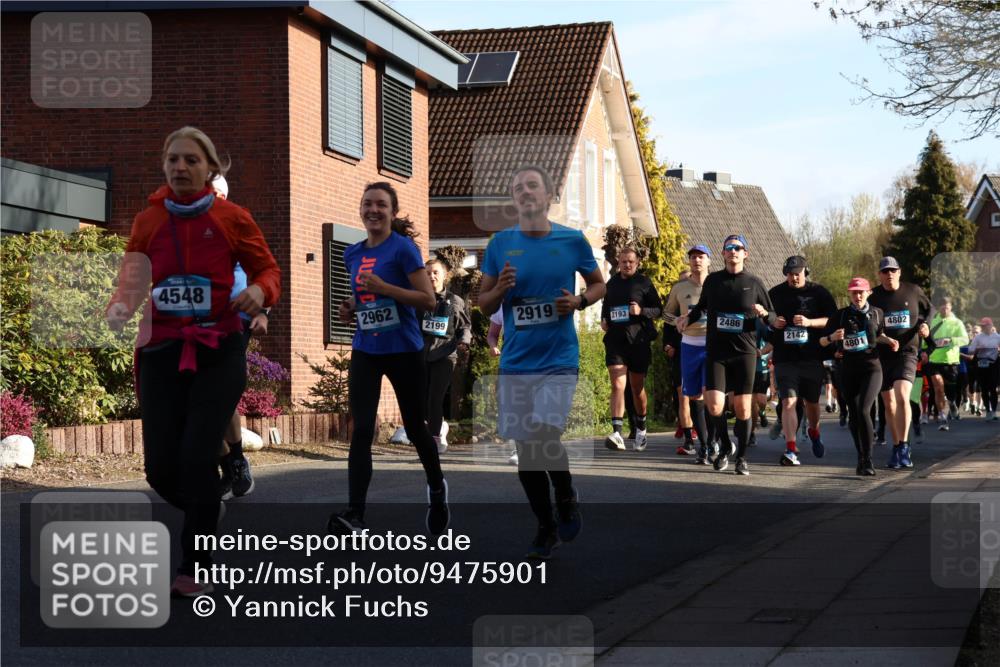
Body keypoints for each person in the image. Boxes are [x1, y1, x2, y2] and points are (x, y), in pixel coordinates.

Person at [106, 127, 281, 597]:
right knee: (160, 470)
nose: (180, 168)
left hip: (219, 348)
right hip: (161, 350)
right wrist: (121, 306)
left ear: (210, 170)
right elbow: (132, 278)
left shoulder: (232, 217)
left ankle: (194, 563)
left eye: (190, 160)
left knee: (197, 454)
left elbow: (268, 268)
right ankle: (207, 511)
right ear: (164, 167)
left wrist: (260, 291)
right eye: (172, 160)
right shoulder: (148, 221)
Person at [479, 164, 606, 559]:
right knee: (526, 448)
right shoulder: (500, 244)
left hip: (558, 359)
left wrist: (579, 301)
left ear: (549, 195)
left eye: (532, 185)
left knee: (544, 434)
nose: (524, 191)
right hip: (517, 361)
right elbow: (484, 305)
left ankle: (565, 493)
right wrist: (499, 287)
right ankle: (545, 524)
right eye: (517, 187)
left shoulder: (571, 240)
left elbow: (599, 283)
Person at [329, 182, 450, 537]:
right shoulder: (352, 253)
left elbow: (427, 300)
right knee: (362, 428)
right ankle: (356, 514)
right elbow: (363, 299)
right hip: (367, 348)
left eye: (381, 205)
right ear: (360, 209)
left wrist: (386, 289)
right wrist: (350, 307)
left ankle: (438, 488)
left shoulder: (404, 250)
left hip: (404, 349)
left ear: (392, 212)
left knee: (415, 428)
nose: (373, 210)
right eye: (367, 204)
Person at [676, 234, 777, 476]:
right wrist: (687, 318)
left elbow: (773, 316)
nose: (733, 252)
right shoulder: (713, 281)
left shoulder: (754, 282)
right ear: (723, 254)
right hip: (717, 352)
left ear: (745, 254)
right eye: (729, 248)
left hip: (744, 353)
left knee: (743, 409)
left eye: (738, 248)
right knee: (714, 406)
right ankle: (724, 447)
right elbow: (702, 307)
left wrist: (764, 314)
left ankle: (741, 458)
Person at [212, 175, 269, 501]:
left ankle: (233, 459)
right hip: (193, 326)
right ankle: (229, 462)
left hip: (235, 322)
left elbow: (265, 272)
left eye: (218, 195)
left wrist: (263, 313)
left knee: (219, 394)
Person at [820, 277, 898, 476]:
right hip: (847, 369)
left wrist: (889, 340)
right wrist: (832, 338)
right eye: (854, 292)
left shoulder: (877, 313)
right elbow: (821, 342)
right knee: (855, 414)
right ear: (849, 294)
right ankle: (861, 457)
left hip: (872, 367)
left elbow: (877, 334)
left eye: (861, 292)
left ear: (868, 293)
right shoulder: (840, 315)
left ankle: (869, 459)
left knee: (864, 409)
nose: (858, 296)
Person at [767, 255, 837, 466]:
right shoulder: (776, 293)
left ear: (805, 272)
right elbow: (765, 317)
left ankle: (814, 431)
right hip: (785, 358)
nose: (793, 278)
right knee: (789, 401)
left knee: (812, 403)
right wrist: (773, 321)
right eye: (789, 274)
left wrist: (809, 322)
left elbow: (832, 320)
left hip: (811, 356)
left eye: (797, 274)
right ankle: (791, 449)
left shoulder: (819, 292)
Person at [868, 256, 931, 470]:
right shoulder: (873, 297)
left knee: (902, 395)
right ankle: (896, 446)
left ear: (899, 272)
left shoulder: (913, 291)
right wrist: (883, 339)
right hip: (883, 355)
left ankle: (904, 446)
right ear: (879, 274)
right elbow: (869, 327)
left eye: (892, 270)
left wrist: (926, 327)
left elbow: (929, 311)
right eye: (885, 271)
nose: (889, 275)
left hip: (907, 352)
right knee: (889, 404)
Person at [600, 246, 662, 452]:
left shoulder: (644, 283)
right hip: (616, 341)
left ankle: (641, 428)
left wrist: (641, 310)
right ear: (618, 262)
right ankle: (617, 432)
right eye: (623, 261)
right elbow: (606, 307)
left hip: (638, 341)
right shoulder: (612, 284)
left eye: (631, 262)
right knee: (618, 384)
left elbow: (658, 310)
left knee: (637, 389)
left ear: (637, 263)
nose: (627, 264)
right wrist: (603, 320)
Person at [664, 246, 714, 464]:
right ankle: (703, 445)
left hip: (713, 345)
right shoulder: (680, 288)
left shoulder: (718, 285)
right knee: (694, 396)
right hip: (689, 345)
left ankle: (712, 442)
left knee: (711, 397)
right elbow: (665, 313)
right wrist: (678, 320)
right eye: (693, 257)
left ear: (709, 261)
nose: (697, 261)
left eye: (701, 257)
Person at [417, 257, 471, 453]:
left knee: (434, 398)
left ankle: (434, 439)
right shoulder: (418, 299)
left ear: (444, 276)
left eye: (435, 272)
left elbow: (464, 326)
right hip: (420, 355)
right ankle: (440, 426)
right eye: (427, 273)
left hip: (445, 355)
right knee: (420, 399)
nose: (431, 276)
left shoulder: (454, 301)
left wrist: (464, 341)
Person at [921, 296, 968, 431]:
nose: (944, 308)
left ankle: (952, 403)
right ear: (938, 307)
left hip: (950, 361)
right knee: (938, 387)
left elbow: (965, 340)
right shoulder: (932, 322)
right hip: (934, 360)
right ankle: (942, 417)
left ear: (951, 307)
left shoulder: (957, 323)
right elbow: (925, 341)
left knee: (950, 392)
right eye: (942, 306)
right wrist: (925, 351)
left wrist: (950, 340)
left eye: (947, 306)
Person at [968, 317, 1000, 420]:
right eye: (982, 326)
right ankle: (988, 411)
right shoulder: (978, 337)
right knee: (984, 388)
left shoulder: (997, 337)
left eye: (985, 325)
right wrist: (978, 348)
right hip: (981, 364)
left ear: (990, 325)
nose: (983, 327)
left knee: (993, 388)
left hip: (993, 364)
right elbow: (970, 350)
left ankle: (994, 411)